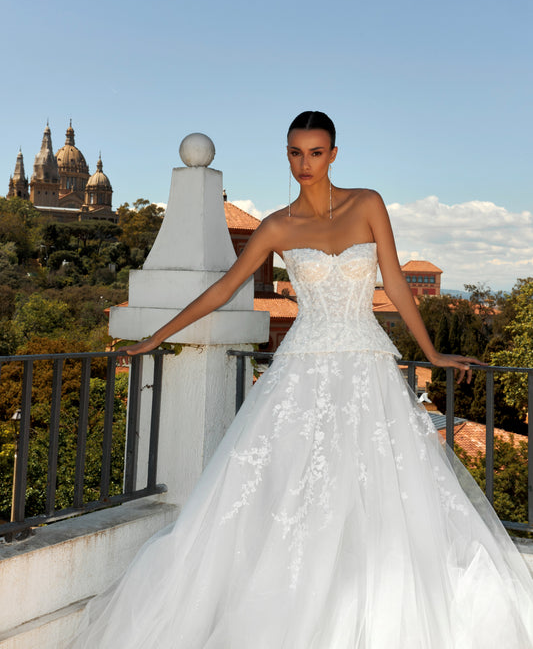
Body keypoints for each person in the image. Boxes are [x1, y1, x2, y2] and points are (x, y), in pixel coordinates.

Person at [70, 112, 533, 648]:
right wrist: (157, 336)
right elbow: (223, 291)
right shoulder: (276, 225)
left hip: (367, 368)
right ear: (286, 154)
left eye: (315, 152)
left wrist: (431, 350)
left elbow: (397, 284)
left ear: (334, 153)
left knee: (377, 491)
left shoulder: (369, 204)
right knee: (290, 491)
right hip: (303, 370)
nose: (304, 164)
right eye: (295, 153)